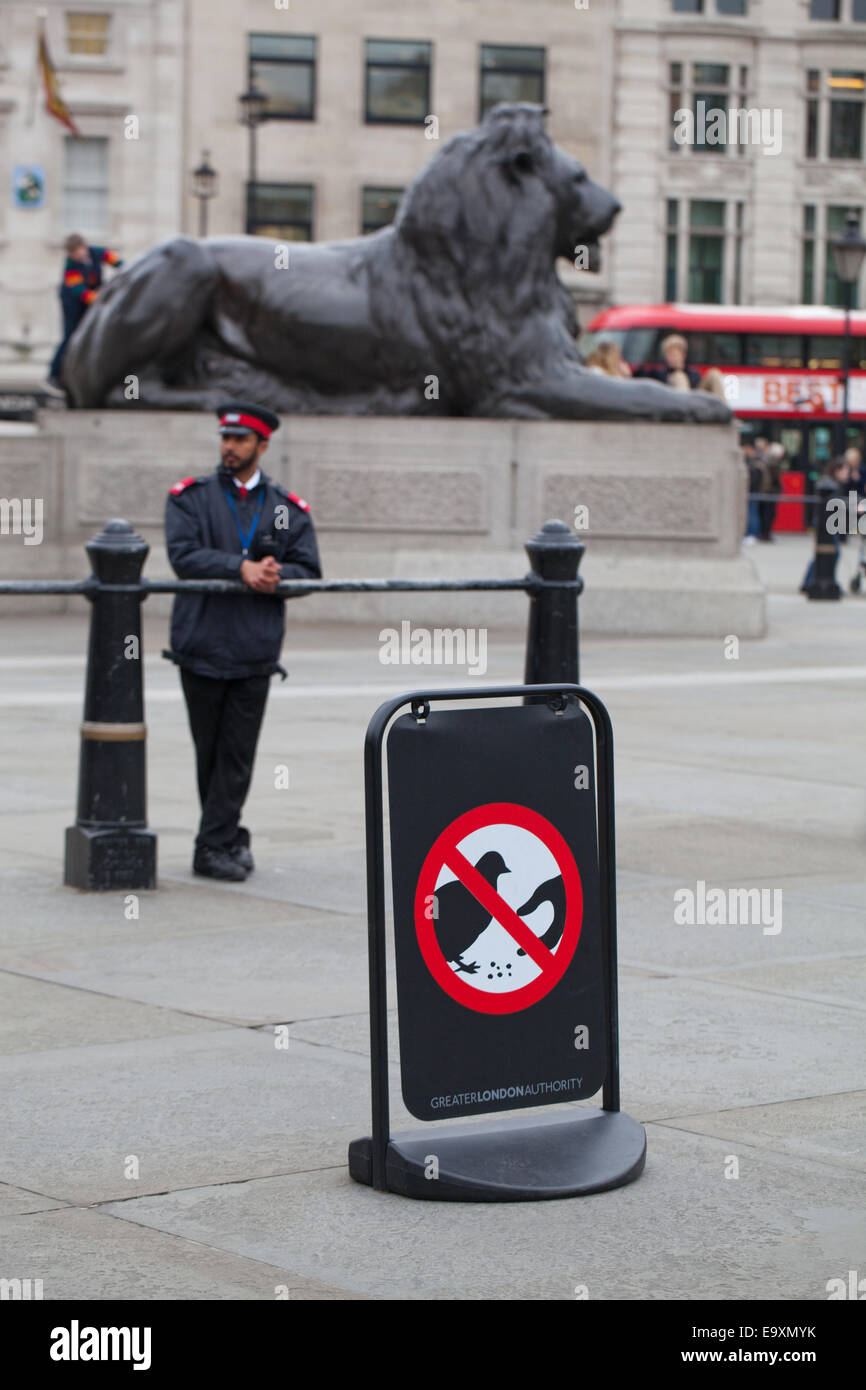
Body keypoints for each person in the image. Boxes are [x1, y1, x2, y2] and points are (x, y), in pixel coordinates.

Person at [164, 401, 322, 881]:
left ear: (262, 445)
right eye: (224, 439)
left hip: (254, 651)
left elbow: (310, 571)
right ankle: (227, 837)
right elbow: (183, 555)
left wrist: (278, 575)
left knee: (237, 753)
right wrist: (240, 567)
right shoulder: (189, 497)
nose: (229, 447)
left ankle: (213, 845)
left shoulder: (284, 509)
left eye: (239, 440)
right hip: (202, 645)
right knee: (209, 751)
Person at [48, 234, 123, 388]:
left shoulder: (98, 252)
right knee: (71, 336)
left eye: (76, 253)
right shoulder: (71, 267)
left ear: (83, 247)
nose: (74, 257)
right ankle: (54, 374)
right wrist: (100, 296)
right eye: (72, 255)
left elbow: (118, 262)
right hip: (72, 303)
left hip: (92, 299)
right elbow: (80, 292)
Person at [800, 456, 852, 593]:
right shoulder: (829, 485)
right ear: (837, 471)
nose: (848, 474)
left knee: (826, 552)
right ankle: (815, 581)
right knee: (826, 552)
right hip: (825, 524)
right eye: (845, 471)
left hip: (828, 523)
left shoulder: (832, 484)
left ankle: (812, 580)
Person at [633, 333, 701, 390]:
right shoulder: (660, 374)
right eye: (670, 354)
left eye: (675, 354)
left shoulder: (693, 374)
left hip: (690, 401)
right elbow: (640, 374)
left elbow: (695, 386)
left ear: (683, 355)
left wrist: (678, 371)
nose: (673, 358)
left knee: (679, 376)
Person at [758, 441, 785, 543]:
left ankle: (764, 533)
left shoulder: (766, 461)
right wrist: (780, 488)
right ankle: (765, 534)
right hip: (770, 493)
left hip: (765, 492)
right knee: (769, 514)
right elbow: (775, 480)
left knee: (765, 514)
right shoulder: (773, 464)